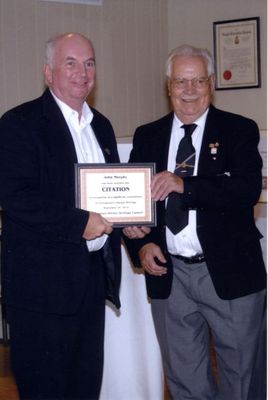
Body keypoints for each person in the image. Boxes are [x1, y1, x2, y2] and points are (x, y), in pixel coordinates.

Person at [123, 44, 266, 400]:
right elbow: (134, 205)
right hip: (170, 276)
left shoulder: (239, 130)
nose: (189, 89)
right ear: (168, 86)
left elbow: (245, 189)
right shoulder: (147, 135)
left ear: (211, 84)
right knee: (184, 377)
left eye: (198, 80)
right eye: (180, 81)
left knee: (242, 376)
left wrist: (184, 185)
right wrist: (141, 243)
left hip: (230, 272)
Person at [0, 32, 121, 400]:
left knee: (85, 387)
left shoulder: (102, 126)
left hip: (89, 285)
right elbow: (15, 196)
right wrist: (80, 223)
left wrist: (128, 223)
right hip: (41, 292)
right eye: (71, 63)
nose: (81, 73)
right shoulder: (19, 123)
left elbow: (114, 194)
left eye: (89, 63)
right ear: (48, 72)